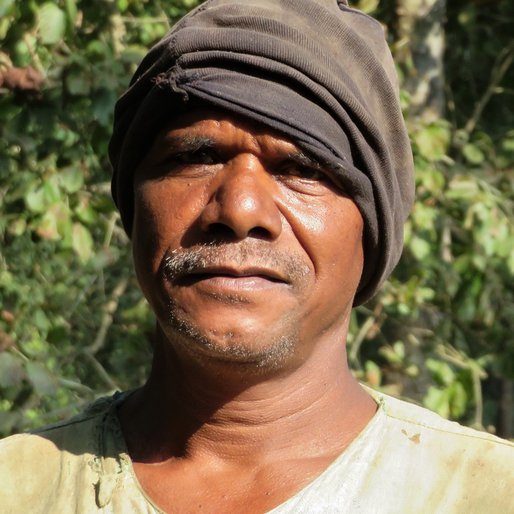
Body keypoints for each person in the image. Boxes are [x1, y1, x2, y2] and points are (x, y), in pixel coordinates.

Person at [1, 1, 513, 512]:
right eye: (195, 157)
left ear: (372, 230)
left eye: (303, 169)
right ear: (134, 205)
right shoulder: (19, 487)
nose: (241, 209)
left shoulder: (484, 492)